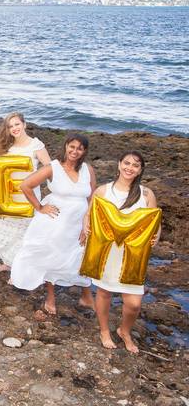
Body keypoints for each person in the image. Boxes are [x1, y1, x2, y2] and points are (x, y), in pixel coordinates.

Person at [10, 134, 96, 315]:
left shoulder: (88, 169)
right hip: (55, 222)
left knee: (81, 255)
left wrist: (88, 223)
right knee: (52, 256)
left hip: (79, 223)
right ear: (66, 146)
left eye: (79, 148)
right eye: (72, 146)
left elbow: (93, 198)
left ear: (84, 151)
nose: (75, 151)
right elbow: (26, 185)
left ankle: (86, 297)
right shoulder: (53, 167)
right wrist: (40, 207)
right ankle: (50, 297)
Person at [86, 151, 160, 353]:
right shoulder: (103, 190)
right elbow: (90, 213)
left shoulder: (146, 194)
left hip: (133, 254)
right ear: (119, 164)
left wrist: (157, 236)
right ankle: (104, 331)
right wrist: (86, 227)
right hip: (108, 251)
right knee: (104, 292)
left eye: (135, 165)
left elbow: (154, 221)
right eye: (126, 163)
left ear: (140, 170)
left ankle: (124, 331)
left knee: (134, 304)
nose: (130, 168)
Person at [0, 113, 51, 274]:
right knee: (6, 229)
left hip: (26, 197)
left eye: (17, 124)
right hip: (8, 196)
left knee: (24, 232)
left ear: (24, 124)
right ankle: (7, 263)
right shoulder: (6, 146)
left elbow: (49, 168)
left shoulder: (36, 145)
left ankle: (19, 270)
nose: (14, 128)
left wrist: (37, 181)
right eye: (10, 126)